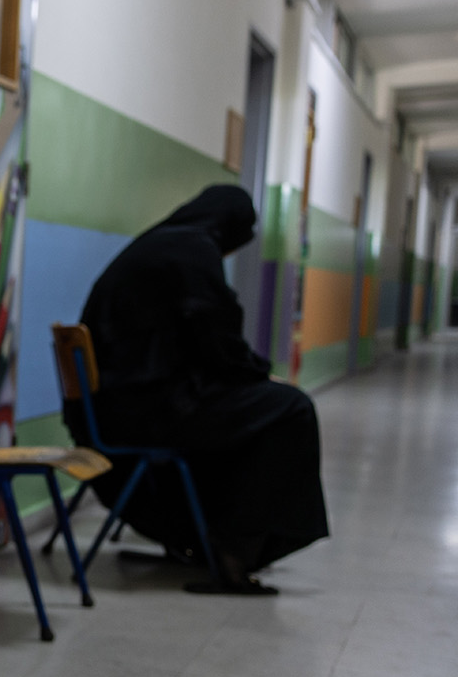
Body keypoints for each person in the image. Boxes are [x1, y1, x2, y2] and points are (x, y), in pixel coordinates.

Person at [63, 184, 328, 593]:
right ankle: (235, 551)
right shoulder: (191, 251)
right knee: (290, 409)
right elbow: (219, 341)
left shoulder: (160, 243)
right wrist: (261, 374)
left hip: (110, 408)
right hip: (143, 416)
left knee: (252, 412)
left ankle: (201, 536)